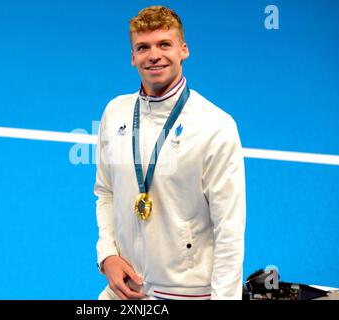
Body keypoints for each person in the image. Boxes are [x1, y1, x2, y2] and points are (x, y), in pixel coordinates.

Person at [94, 5, 246, 300]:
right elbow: (105, 192)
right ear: (133, 57)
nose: (153, 55)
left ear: (183, 50)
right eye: (143, 47)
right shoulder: (115, 112)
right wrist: (107, 255)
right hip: (126, 288)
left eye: (165, 44)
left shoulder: (216, 126)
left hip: (188, 294)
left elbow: (229, 229)